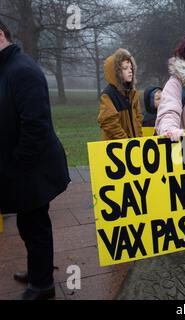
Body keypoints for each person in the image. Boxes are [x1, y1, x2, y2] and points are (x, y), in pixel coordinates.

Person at [0, 19, 71, 299]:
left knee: (35, 225)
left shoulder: (22, 70)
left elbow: (36, 125)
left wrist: (17, 165)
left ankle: (43, 285)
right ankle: (38, 270)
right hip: (22, 168)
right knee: (29, 225)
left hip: (32, 169)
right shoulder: (7, 66)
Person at [98, 48, 143, 140]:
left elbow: (138, 118)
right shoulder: (109, 95)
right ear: (116, 72)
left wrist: (138, 139)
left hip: (134, 145)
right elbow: (109, 122)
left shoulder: (132, 93)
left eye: (131, 68)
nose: (130, 71)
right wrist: (126, 141)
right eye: (125, 68)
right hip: (117, 148)